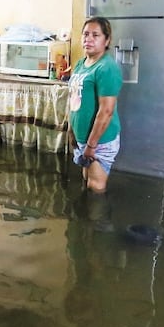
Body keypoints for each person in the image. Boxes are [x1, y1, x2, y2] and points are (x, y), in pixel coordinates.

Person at [68, 17, 121, 194]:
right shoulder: (80, 64)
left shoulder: (106, 68)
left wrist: (91, 146)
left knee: (96, 188)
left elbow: (106, 111)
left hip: (99, 141)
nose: (88, 39)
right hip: (83, 138)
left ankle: (98, 222)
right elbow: (75, 100)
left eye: (95, 35)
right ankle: (84, 221)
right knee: (87, 182)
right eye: (85, 34)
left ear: (106, 41)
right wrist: (71, 129)